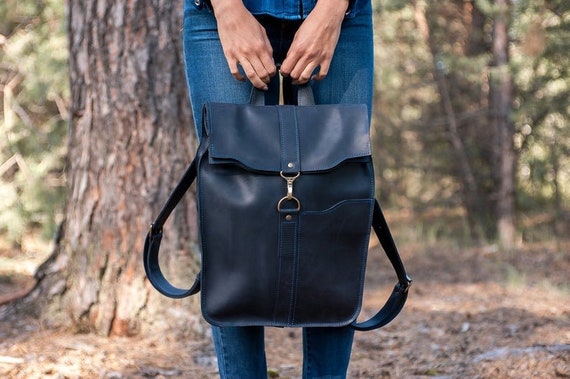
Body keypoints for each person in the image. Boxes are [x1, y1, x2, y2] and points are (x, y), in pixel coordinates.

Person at [182, 0, 374, 377]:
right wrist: (227, 10)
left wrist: (332, 10)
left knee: (336, 210)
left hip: (342, 15)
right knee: (234, 221)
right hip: (222, 14)